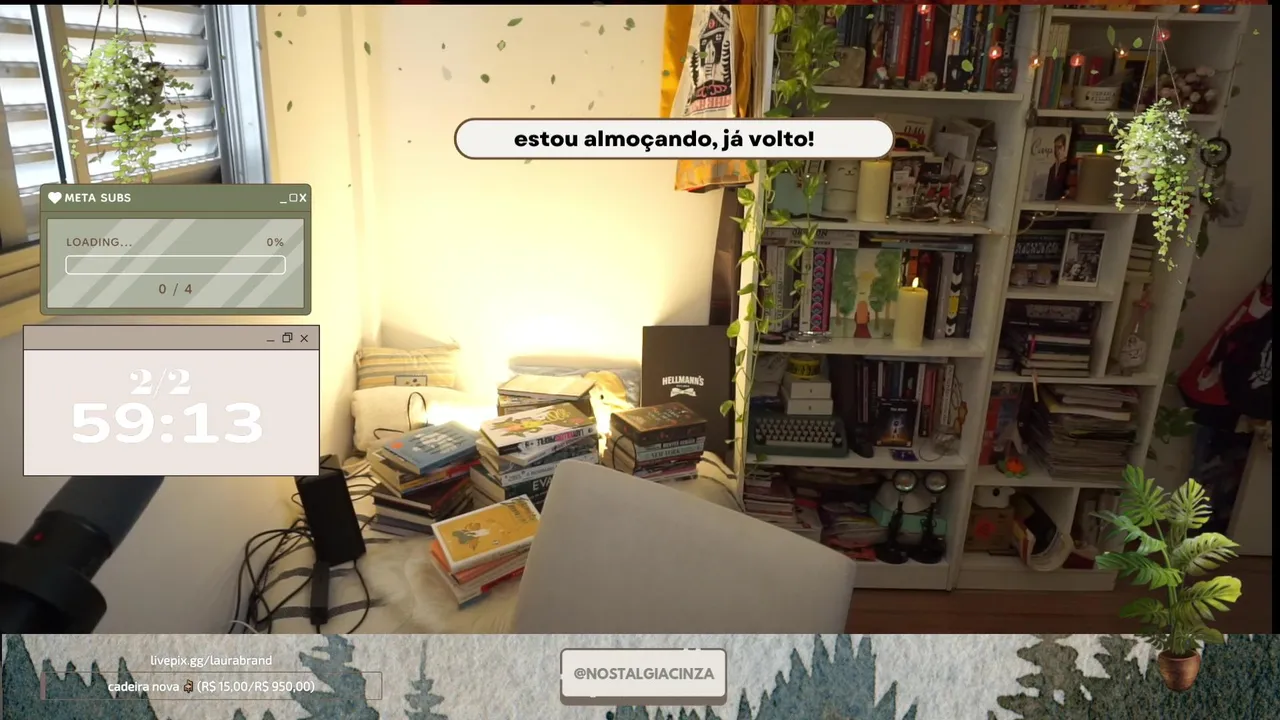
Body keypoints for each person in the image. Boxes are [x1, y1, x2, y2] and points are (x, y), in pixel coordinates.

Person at [1045, 134, 1070, 201]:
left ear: (1064, 148)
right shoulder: (1052, 168)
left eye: (1059, 147)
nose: (1057, 150)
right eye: (1055, 147)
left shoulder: (1068, 166)